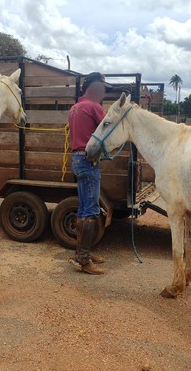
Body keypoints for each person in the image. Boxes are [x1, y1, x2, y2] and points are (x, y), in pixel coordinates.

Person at [67, 72, 111, 275]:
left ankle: (82, 254)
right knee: (91, 211)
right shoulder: (94, 107)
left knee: (84, 208)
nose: (102, 93)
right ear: (93, 89)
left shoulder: (75, 108)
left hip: (77, 159)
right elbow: (109, 128)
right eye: (101, 89)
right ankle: (84, 261)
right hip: (88, 160)